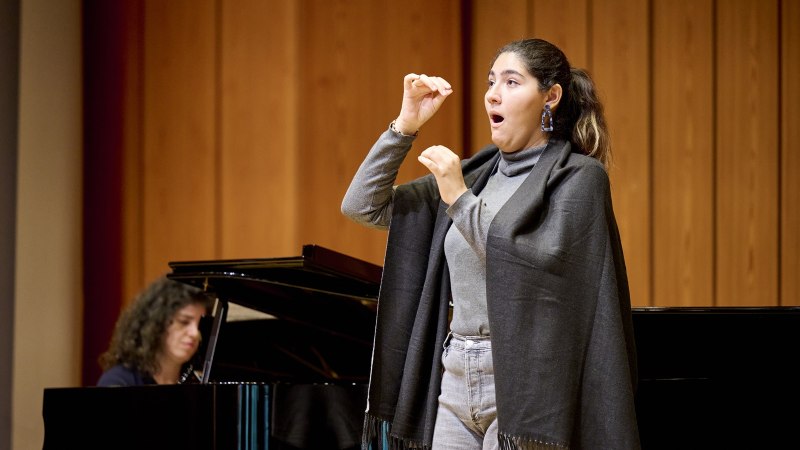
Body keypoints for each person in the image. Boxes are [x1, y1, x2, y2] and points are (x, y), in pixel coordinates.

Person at [341, 38, 640, 449]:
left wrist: (459, 200)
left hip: (528, 383)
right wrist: (404, 126)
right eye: (491, 82)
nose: (493, 95)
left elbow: (532, 268)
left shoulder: (579, 178)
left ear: (550, 97)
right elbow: (362, 207)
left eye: (512, 82)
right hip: (458, 372)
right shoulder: (478, 174)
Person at [96, 276, 214, 386]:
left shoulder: (199, 382)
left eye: (201, 325)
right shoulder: (120, 381)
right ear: (158, 322)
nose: (195, 333)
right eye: (183, 322)